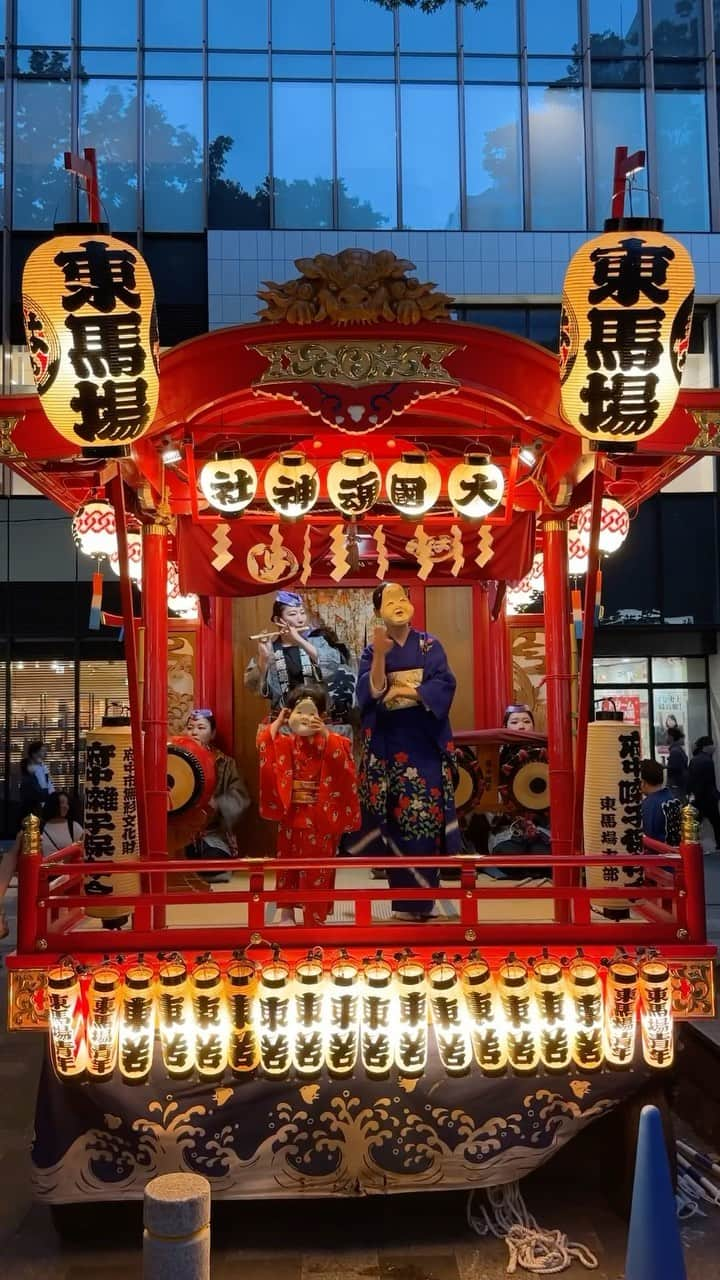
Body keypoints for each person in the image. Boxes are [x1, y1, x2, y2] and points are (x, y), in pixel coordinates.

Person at [347, 582, 461, 921]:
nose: (398, 604)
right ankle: (403, 903)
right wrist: (381, 656)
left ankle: (423, 902)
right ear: (378, 610)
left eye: (402, 598)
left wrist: (408, 693)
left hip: (423, 744)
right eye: (389, 600)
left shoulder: (430, 644)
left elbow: (444, 684)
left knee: (423, 820)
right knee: (395, 820)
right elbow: (370, 692)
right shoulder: (372, 650)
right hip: (388, 747)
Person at [257, 683, 359, 926]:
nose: (304, 718)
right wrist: (279, 720)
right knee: (287, 864)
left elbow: (344, 765)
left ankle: (315, 917)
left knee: (318, 868)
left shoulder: (334, 741)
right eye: (298, 711)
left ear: (322, 716)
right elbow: (263, 745)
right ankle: (287, 912)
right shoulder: (286, 742)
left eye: (310, 712)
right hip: (292, 812)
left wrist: (324, 733)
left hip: (320, 814)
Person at [244, 590, 355, 723]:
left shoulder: (317, 642)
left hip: (316, 716)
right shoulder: (271, 648)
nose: (300, 619)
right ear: (278, 620)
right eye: (293, 614)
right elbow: (254, 687)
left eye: (302, 613)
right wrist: (264, 658)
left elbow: (335, 666)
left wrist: (300, 641)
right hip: (283, 718)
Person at [0, 791, 84, 939]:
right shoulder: (42, 828)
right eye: (61, 803)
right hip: (46, 876)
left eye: (66, 803)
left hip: (65, 876)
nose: (65, 806)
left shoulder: (74, 826)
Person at [484, 705, 551, 878]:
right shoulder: (495, 756)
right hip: (508, 826)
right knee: (510, 860)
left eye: (526, 721)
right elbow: (488, 798)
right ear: (505, 727)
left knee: (543, 861)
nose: (521, 726)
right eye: (514, 722)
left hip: (540, 825)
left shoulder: (545, 753)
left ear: (533, 726)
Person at [185, 709, 251, 883]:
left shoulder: (225, 762)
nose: (194, 732)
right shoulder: (175, 757)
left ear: (212, 733)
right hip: (181, 832)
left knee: (214, 870)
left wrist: (218, 803)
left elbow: (240, 796)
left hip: (212, 831)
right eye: (190, 727)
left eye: (201, 727)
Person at [640, 759, 682, 845]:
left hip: (660, 855)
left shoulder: (649, 805)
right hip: (677, 851)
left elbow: (649, 838)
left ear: (643, 782)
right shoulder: (672, 798)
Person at [688, 735, 720, 849]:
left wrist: (692, 796)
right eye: (711, 745)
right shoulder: (707, 761)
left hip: (698, 797)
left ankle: (691, 845)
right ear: (706, 747)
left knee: (695, 823)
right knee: (716, 823)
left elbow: (691, 780)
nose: (714, 747)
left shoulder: (693, 760)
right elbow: (709, 781)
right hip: (708, 798)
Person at [18, 740, 54, 819]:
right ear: (34, 754)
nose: (45, 753)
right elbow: (37, 791)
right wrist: (50, 794)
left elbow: (48, 784)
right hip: (35, 808)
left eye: (45, 750)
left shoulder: (43, 767)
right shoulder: (31, 770)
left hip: (44, 805)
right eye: (42, 751)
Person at [666, 726, 689, 796]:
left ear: (671, 737)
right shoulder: (678, 749)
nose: (666, 738)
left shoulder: (675, 751)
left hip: (676, 786)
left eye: (667, 736)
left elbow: (675, 768)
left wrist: (664, 766)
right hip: (680, 786)